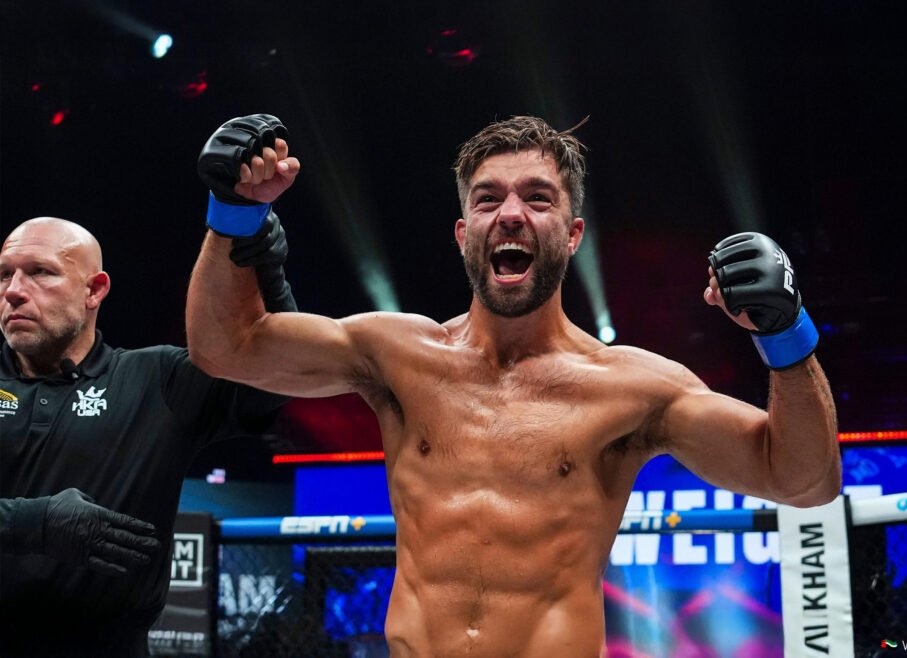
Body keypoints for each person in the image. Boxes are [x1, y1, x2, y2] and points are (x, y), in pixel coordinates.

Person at [187, 114, 841, 656]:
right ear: (462, 232)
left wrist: (785, 336)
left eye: (537, 197)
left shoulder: (634, 389)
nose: (510, 213)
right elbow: (225, 348)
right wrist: (232, 215)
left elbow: (804, 480)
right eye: (488, 198)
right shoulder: (393, 355)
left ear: (573, 234)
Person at [0, 212, 295, 657]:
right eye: (5, 275)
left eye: (40, 272)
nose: (14, 291)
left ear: (94, 290)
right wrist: (32, 523)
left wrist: (269, 276)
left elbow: (278, 373)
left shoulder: (156, 378)